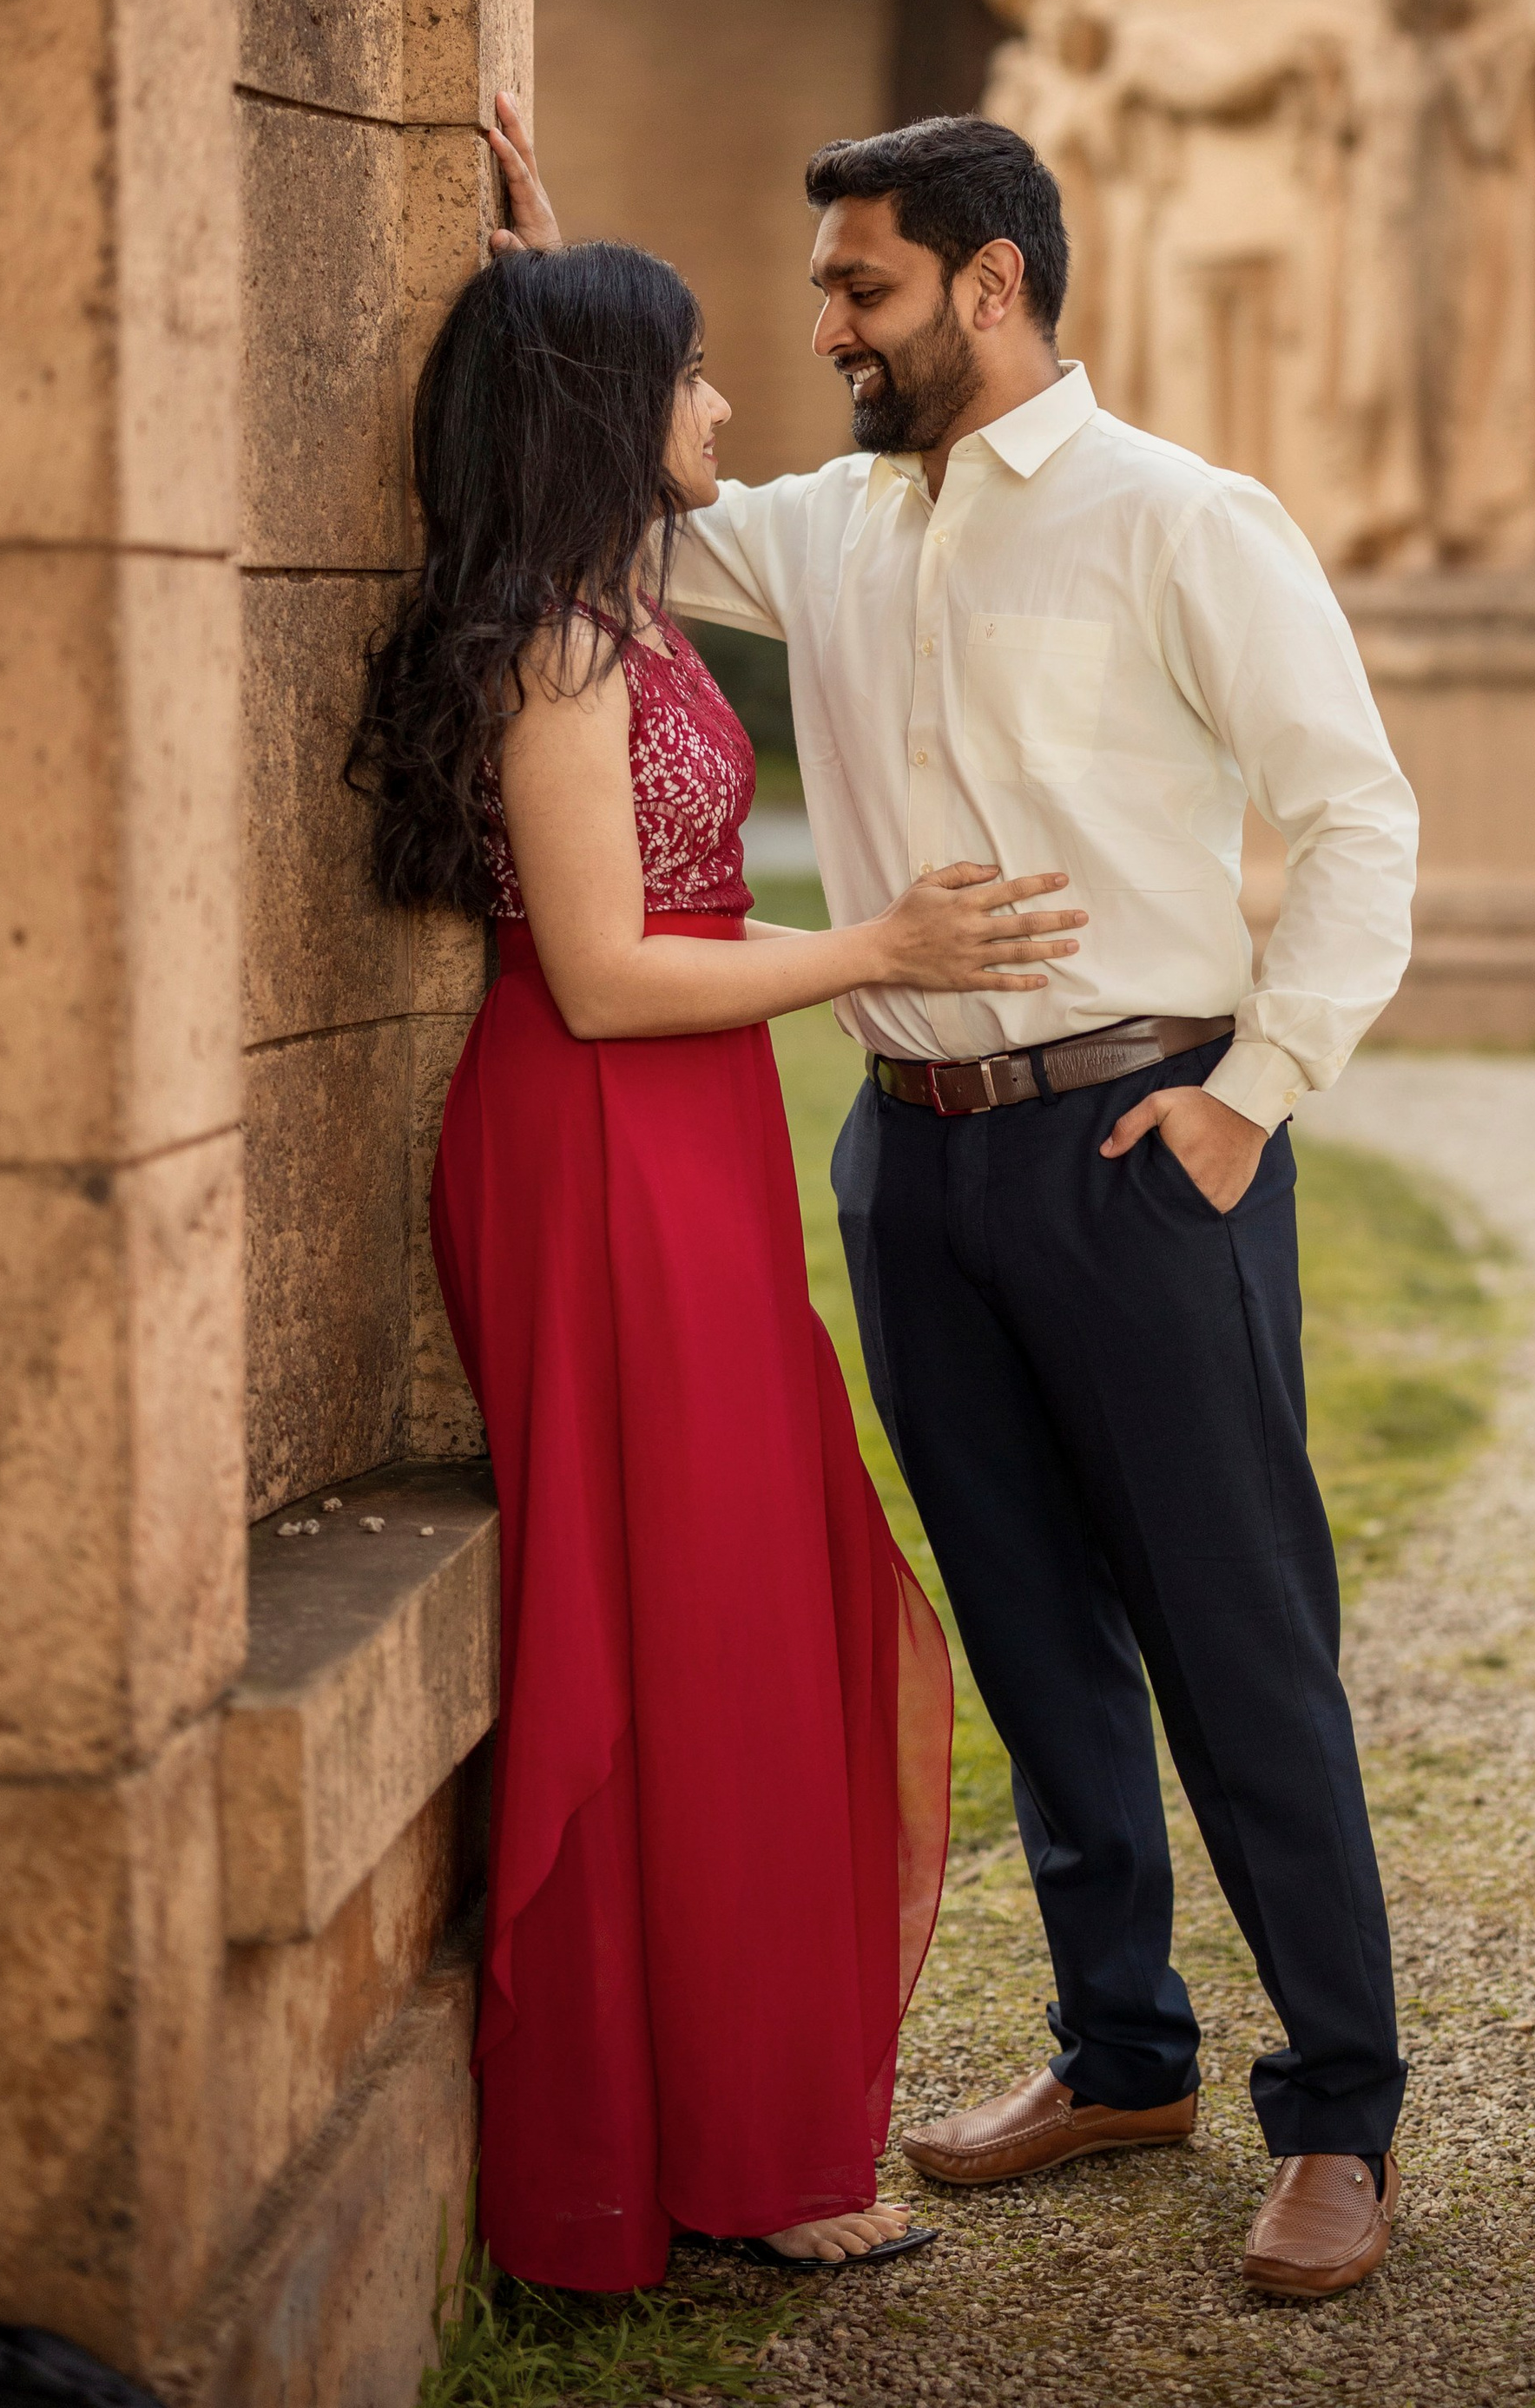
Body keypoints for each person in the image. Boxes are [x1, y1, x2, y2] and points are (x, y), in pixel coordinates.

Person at [488, 100, 1421, 2302]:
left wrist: (1250, 1097)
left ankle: (1338, 2110)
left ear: (988, 284)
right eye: (822, 288)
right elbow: (619, 479)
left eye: (861, 288)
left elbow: (1353, 821)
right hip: (909, 1163)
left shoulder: (1179, 517)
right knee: (1023, 1623)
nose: (823, 328)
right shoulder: (818, 528)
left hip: (1140, 1145)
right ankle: (1120, 2051)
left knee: (1234, 1634)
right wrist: (545, 288)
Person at [345, 236, 1090, 2290]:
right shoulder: (555, 649)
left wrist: (546, 228)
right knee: (680, 1612)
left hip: (684, 1141)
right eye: (683, 375)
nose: (724, 404)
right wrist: (877, 950)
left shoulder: (615, 608)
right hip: (595, 1145)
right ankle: (680, 2154)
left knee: (738, 1589)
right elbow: (598, 977)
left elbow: (665, 929)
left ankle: (734, 2124)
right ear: (605, 406)